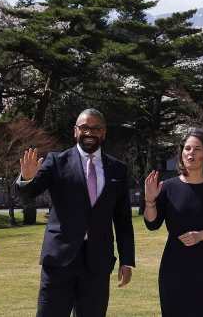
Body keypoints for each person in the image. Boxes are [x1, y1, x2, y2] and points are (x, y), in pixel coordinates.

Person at [15, 108, 135, 317]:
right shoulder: (56, 161)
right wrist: (26, 178)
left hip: (97, 260)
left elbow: (123, 219)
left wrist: (126, 260)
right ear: (75, 131)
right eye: (84, 128)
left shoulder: (118, 169)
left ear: (104, 132)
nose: (89, 133)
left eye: (96, 128)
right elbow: (28, 193)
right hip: (59, 258)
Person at [143, 129, 203, 316]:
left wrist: (200, 235)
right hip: (173, 266)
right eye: (187, 148)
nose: (191, 152)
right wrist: (150, 200)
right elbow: (152, 224)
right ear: (181, 153)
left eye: (197, 149)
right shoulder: (168, 187)